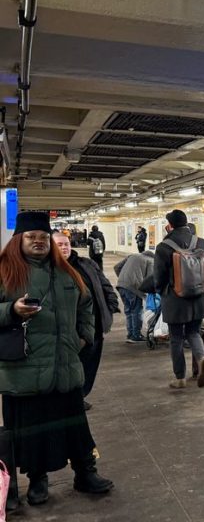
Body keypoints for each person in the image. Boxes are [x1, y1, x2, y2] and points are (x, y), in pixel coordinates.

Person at [0, 212, 113, 507]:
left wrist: (84, 336)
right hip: (24, 368)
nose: (38, 242)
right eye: (31, 237)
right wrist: (11, 310)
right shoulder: (5, 271)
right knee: (34, 428)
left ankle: (85, 473)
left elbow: (86, 302)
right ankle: (38, 480)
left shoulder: (65, 271)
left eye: (43, 237)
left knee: (75, 424)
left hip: (64, 364)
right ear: (18, 240)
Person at [52, 232, 120, 410]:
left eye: (66, 244)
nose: (64, 247)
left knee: (90, 366)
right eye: (58, 245)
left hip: (96, 327)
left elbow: (104, 284)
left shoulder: (87, 264)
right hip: (71, 330)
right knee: (70, 367)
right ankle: (70, 400)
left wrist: (110, 305)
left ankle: (80, 396)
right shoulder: (50, 270)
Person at [154, 209, 204, 388]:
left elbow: (159, 277)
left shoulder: (164, 246)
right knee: (194, 332)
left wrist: (160, 291)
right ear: (187, 223)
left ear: (169, 226)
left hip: (175, 299)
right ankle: (202, 358)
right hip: (199, 298)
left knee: (176, 338)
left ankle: (180, 378)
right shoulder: (201, 242)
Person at [115, 248, 156, 343]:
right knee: (137, 311)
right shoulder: (151, 261)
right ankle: (136, 335)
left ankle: (130, 334)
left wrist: (124, 279)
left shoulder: (133, 256)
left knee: (128, 310)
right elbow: (150, 279)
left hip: (121, 285)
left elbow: (116, 267)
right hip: (134, 287)